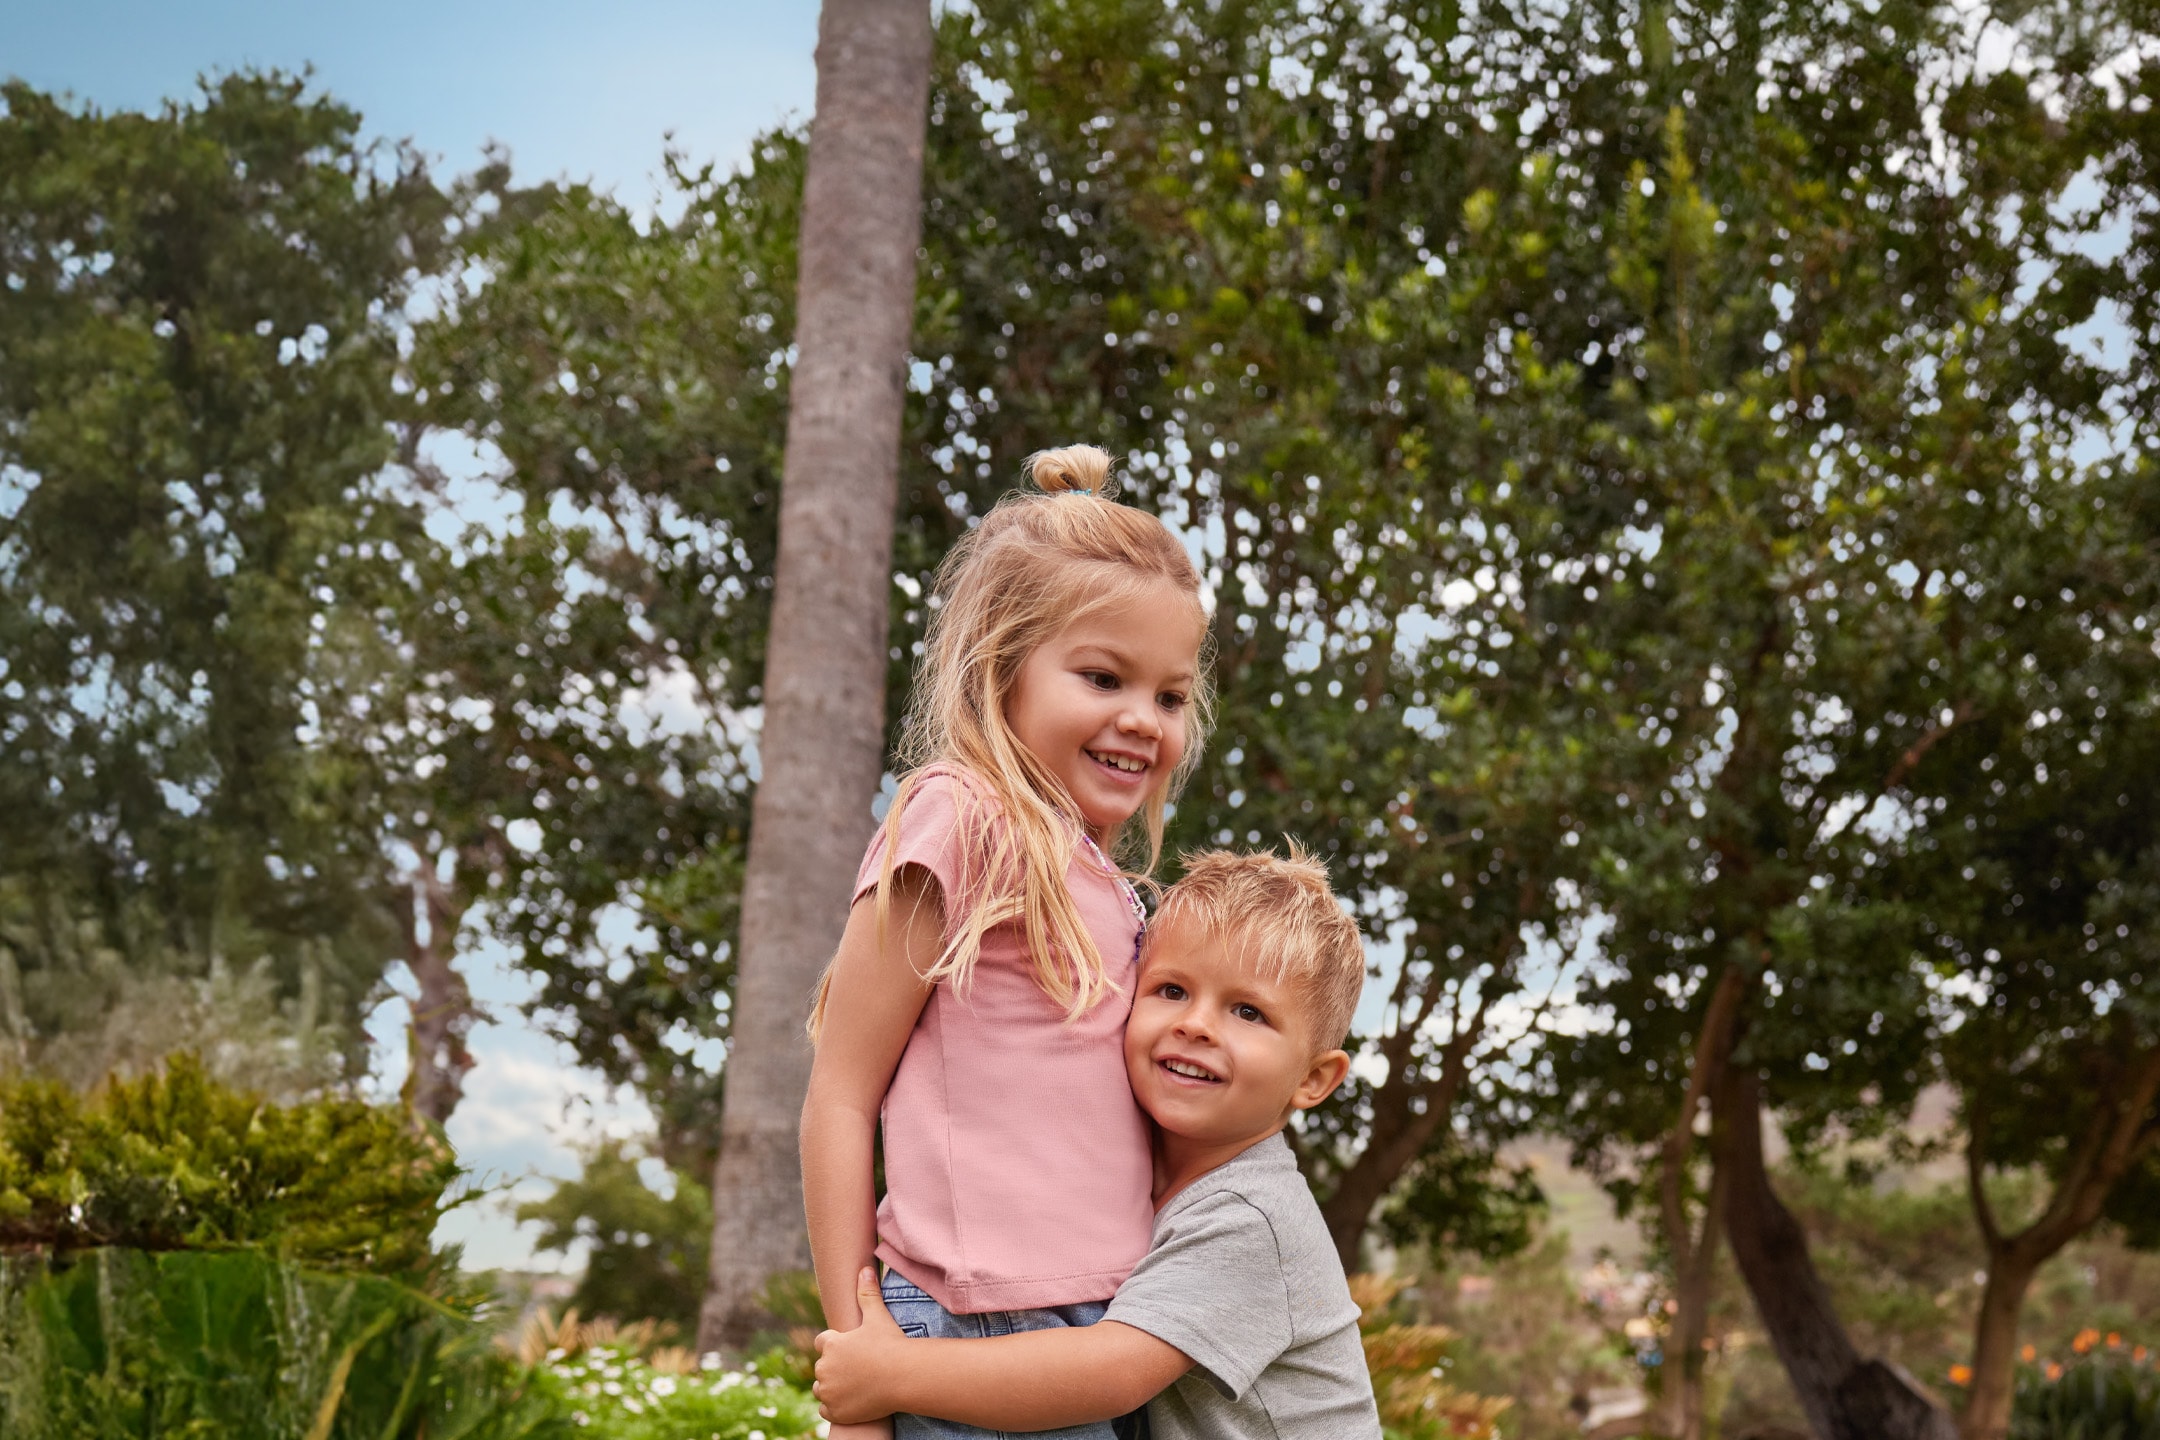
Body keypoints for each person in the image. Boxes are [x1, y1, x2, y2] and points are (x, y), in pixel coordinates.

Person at [799, 444, 1214, 1440]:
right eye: (1104, 677)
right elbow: (841, 1095)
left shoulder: (1111, 886)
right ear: (1002, 669)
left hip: (1094, 1343)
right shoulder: (962, 817)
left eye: (1168, 696)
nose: (1143, 721)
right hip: (963, 1336)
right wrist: (861, 1358)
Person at [811, 847, 1385, 1440]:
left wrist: (894, 1376)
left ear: (1314, 1079)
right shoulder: (1135, 1171)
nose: (1196, 1024)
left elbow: (1113, 1372)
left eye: (1247, 1011)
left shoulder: (1252, 1215)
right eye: (1171, 990)